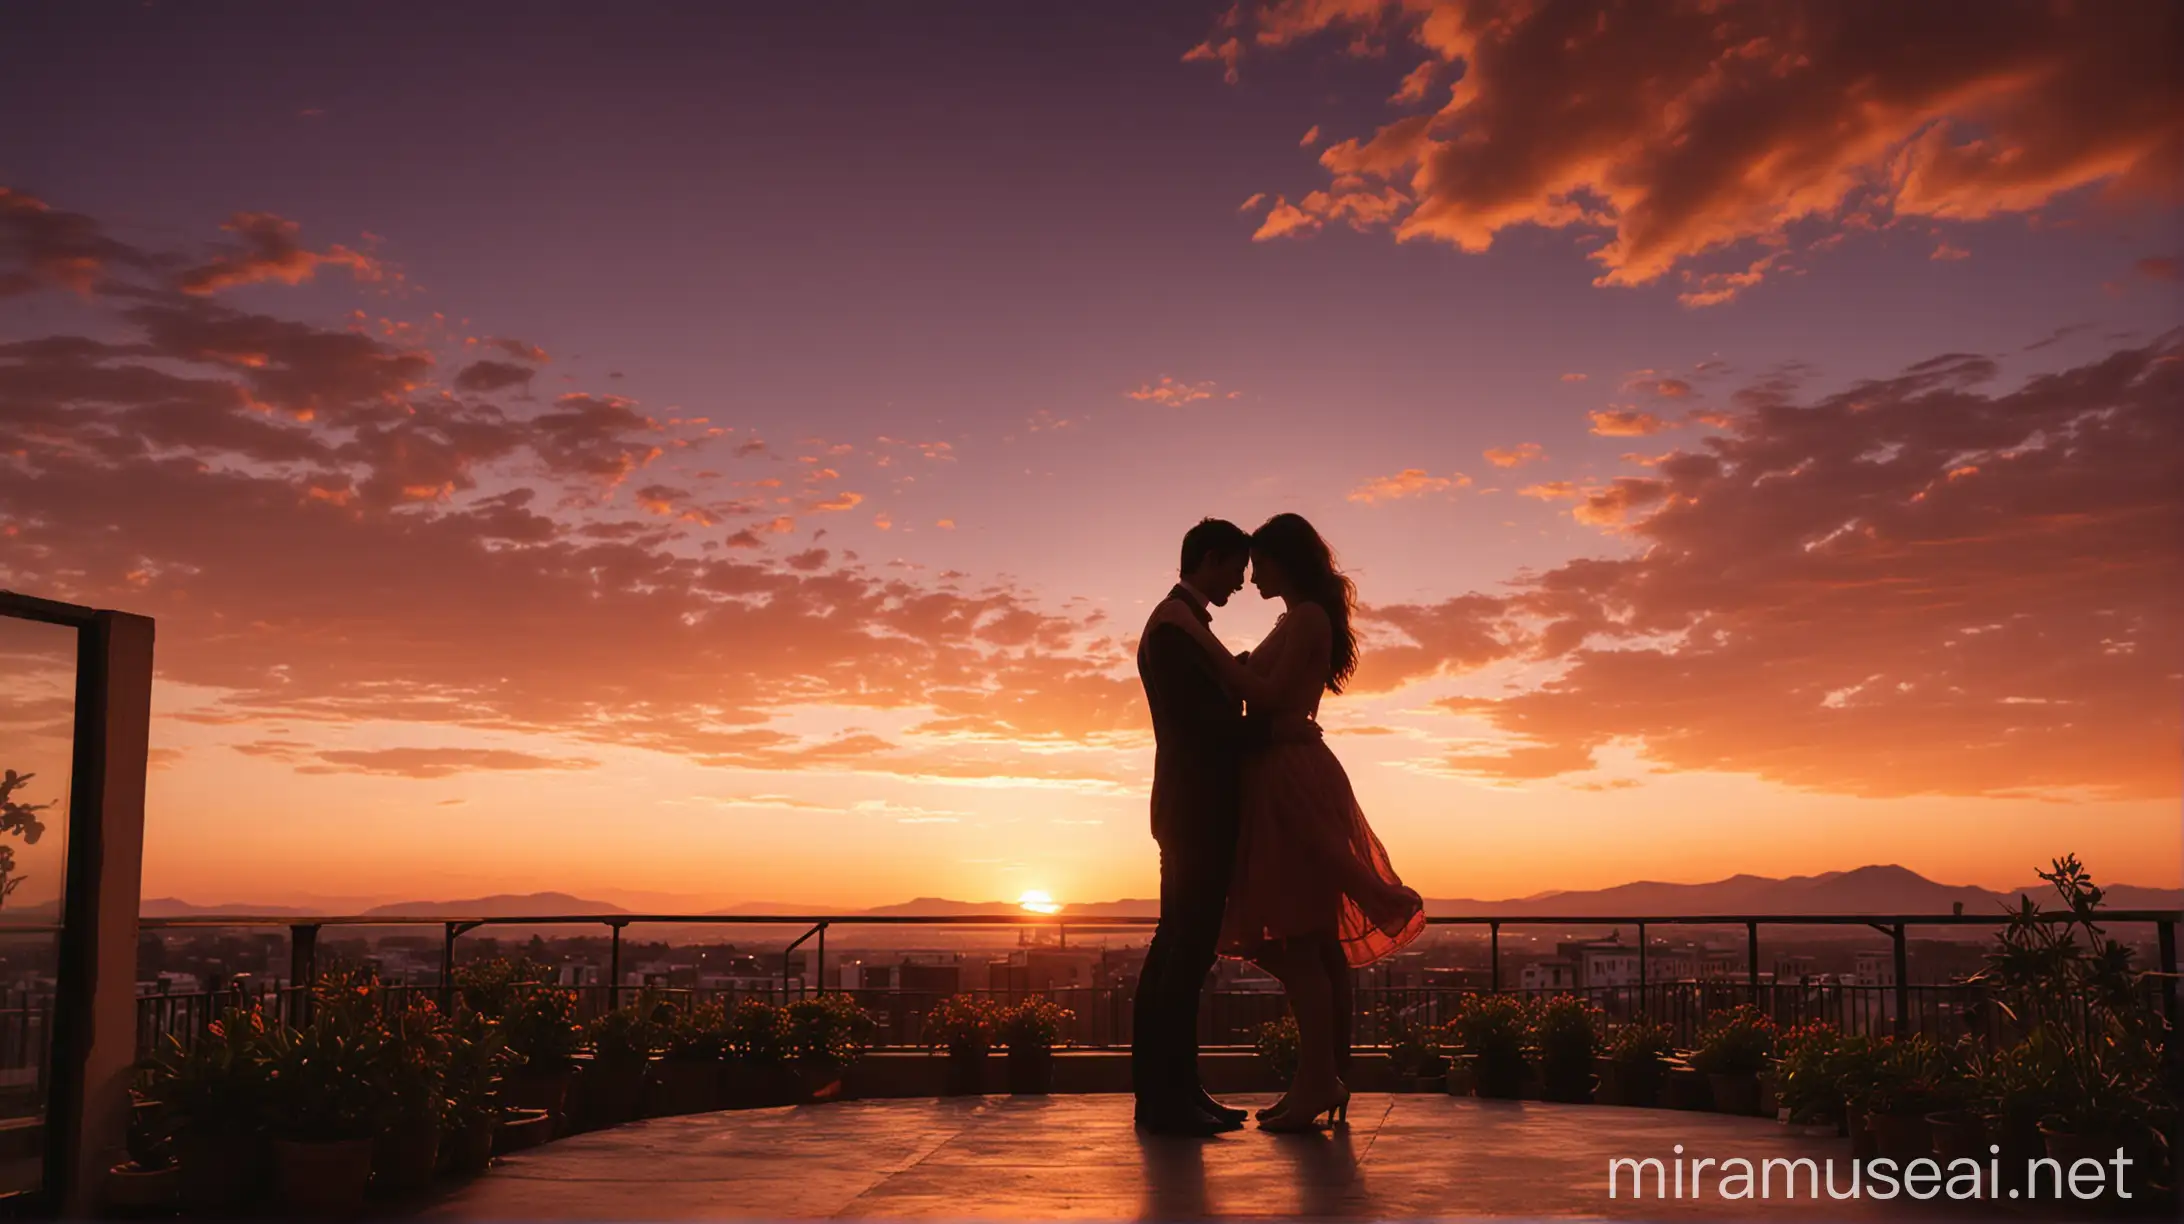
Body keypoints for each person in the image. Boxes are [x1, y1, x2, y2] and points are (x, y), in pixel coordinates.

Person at [1148, 512, 1426, 1132]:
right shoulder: (1298, 619)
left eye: (1261, 564)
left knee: (1303, 941)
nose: (1252, 577)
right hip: (1285, 771)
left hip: (1289, 779)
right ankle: (1317, 1079)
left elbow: (1263, 693)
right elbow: (1259, 677)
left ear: (1284, 562)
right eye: (1244, 566)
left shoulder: (1303, 619)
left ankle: (1319, 1080)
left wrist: (1198, 640)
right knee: (1308, 942)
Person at [1130, 517, 1257, 1135]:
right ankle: (1166, 1098)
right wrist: (1269, 723)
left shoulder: (1177, 624)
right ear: (1211, 559)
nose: (1242, 580)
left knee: (1177, 951)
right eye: (1237, 566)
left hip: (1184, 804)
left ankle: (1175, 1091)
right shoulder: (1176, 630)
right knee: (1184, 955)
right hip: (1195, 806)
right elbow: (1201, 726)